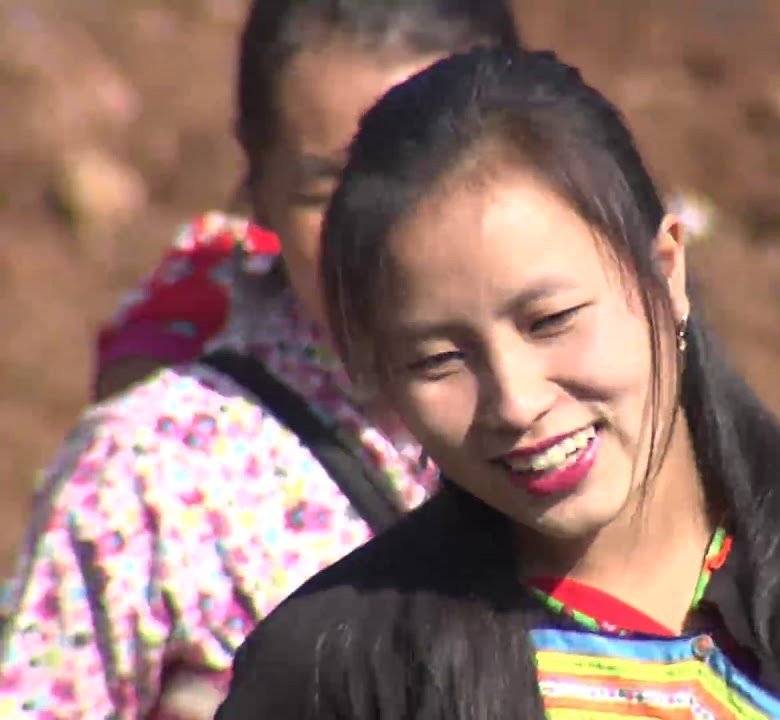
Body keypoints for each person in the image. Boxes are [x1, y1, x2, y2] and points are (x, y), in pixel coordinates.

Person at [216, 47, 780, 720]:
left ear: (666, 271)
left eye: (551, 320)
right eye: (439, 360)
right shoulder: (335, 672)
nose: (516, 401)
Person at [0, 3, 522, 718]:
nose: (386, 233)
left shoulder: (618, 420)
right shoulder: (149, 480)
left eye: (435, 170)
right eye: (327, 192)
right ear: (259, 189)